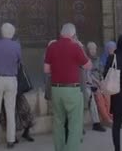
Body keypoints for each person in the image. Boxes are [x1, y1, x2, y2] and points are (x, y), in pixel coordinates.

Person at [44, 23, 91, 151]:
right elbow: (88, 65)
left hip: (56, 89)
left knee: (58, 123)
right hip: (72, 90)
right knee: (75, 125)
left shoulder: (52, 46)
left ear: (61, 33)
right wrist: (80, 48)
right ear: (73, 35)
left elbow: (46, 69)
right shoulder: (76, 47)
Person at [85, 41, 107, 131]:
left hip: (95, 83)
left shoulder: (97, 59)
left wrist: (101, 80)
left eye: (95, 49)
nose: (93, 51)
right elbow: (88, 75)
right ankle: (98, 122)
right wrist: (97, 82)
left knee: (109, 94)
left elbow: (101, 71)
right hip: (87, 85)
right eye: (91, 49)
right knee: (91, 97)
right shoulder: (85, 60)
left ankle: (111, 117)